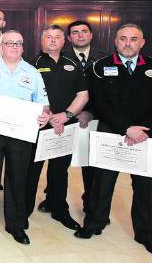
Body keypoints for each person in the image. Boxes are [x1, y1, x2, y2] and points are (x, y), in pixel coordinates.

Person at [75, 24, 152, 259]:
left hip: (146, 138)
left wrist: (147, 131)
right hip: (111, 133)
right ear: (115, 41)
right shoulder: (100, 67)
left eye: (133, 39)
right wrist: (126, 128)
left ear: (142, 42)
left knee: (144, 189)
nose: (128, 43)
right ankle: (94, 223)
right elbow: (100, 103)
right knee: (102, 184)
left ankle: (146, 234)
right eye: (123, 39)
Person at [0, 30, 49, 245]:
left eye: (18, 43)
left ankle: (15, 224)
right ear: (2, 46)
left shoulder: (33, 72)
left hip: (21, 134)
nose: (14, 47)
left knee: (17, 178)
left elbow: (43, 102)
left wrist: (45, 115)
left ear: (23, 47)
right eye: (9, 43)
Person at [24, 25, 88, 232]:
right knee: (31, 171)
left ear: (64, 41)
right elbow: (25, 95)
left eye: (57, 37)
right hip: (38, 125)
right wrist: (49, 115)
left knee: (60, 170)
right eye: (48, 37)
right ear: (41, 41)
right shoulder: (30, 65)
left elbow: (83, 94)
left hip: (64, 126)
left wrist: (66, 115)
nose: (52, 40)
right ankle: (23, 211)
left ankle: (58, 208)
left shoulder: (73, 64)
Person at [49, 20, 106, 215]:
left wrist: (90, 112)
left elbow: (107, 94)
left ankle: (91, 204)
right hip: (64, 118)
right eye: (75, 32)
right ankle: (53, 200)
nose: (80, 35)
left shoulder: (104, 59)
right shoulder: (58, 57)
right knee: (58, 162)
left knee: (90, 164)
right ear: (69, 38)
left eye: (84, 32)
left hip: (93, 119)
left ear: (91, 35)